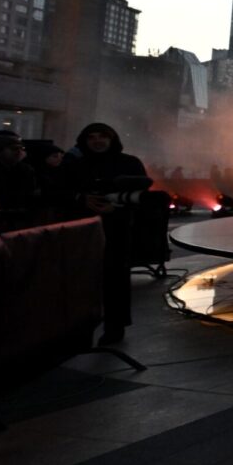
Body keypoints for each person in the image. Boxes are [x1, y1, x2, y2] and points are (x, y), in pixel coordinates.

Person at [60, 122, 150, 345]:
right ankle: (80, 328)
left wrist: (117, 207)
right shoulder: (75, 165)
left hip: (117, 228)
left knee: (116, 278)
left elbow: (142, 195)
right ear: (84, 141)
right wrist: (82, 199)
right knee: (81, 279)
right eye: (91, 137)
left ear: (112, 139)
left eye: (102, 137)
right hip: (82, 229)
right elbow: (59, 191)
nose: (97, 141)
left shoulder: (129, 163)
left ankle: (114, 326)